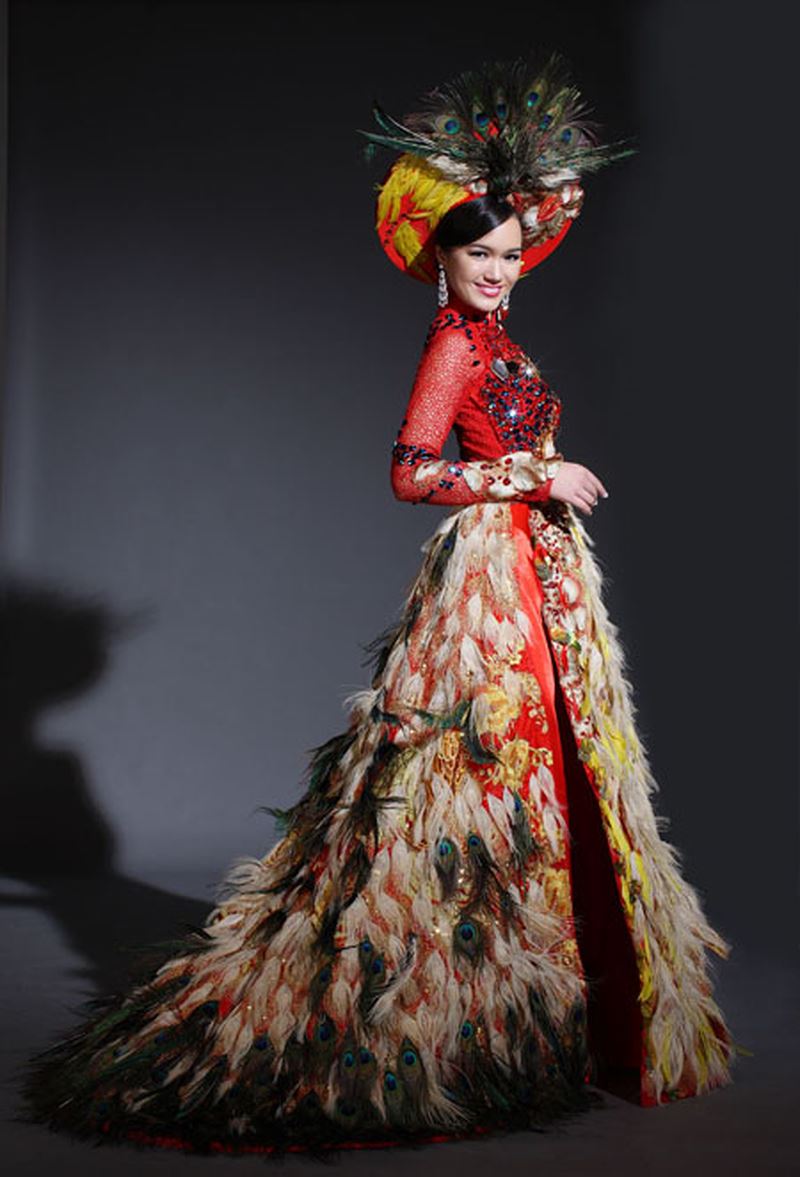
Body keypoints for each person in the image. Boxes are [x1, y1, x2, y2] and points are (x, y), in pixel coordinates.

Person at [19, 54, 738, 1158]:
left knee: (560, 776)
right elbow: (409, 470)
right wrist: (531, 474)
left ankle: (577, 1015)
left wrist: (526, 193)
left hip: (547, 574)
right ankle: (477, 1012)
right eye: (478, 252)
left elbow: (534, 224)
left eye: (509, 254)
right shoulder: (454, 341)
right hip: (494, 584)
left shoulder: (494, 323)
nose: (497, 269)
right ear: (439, 257)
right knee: (482, 777)